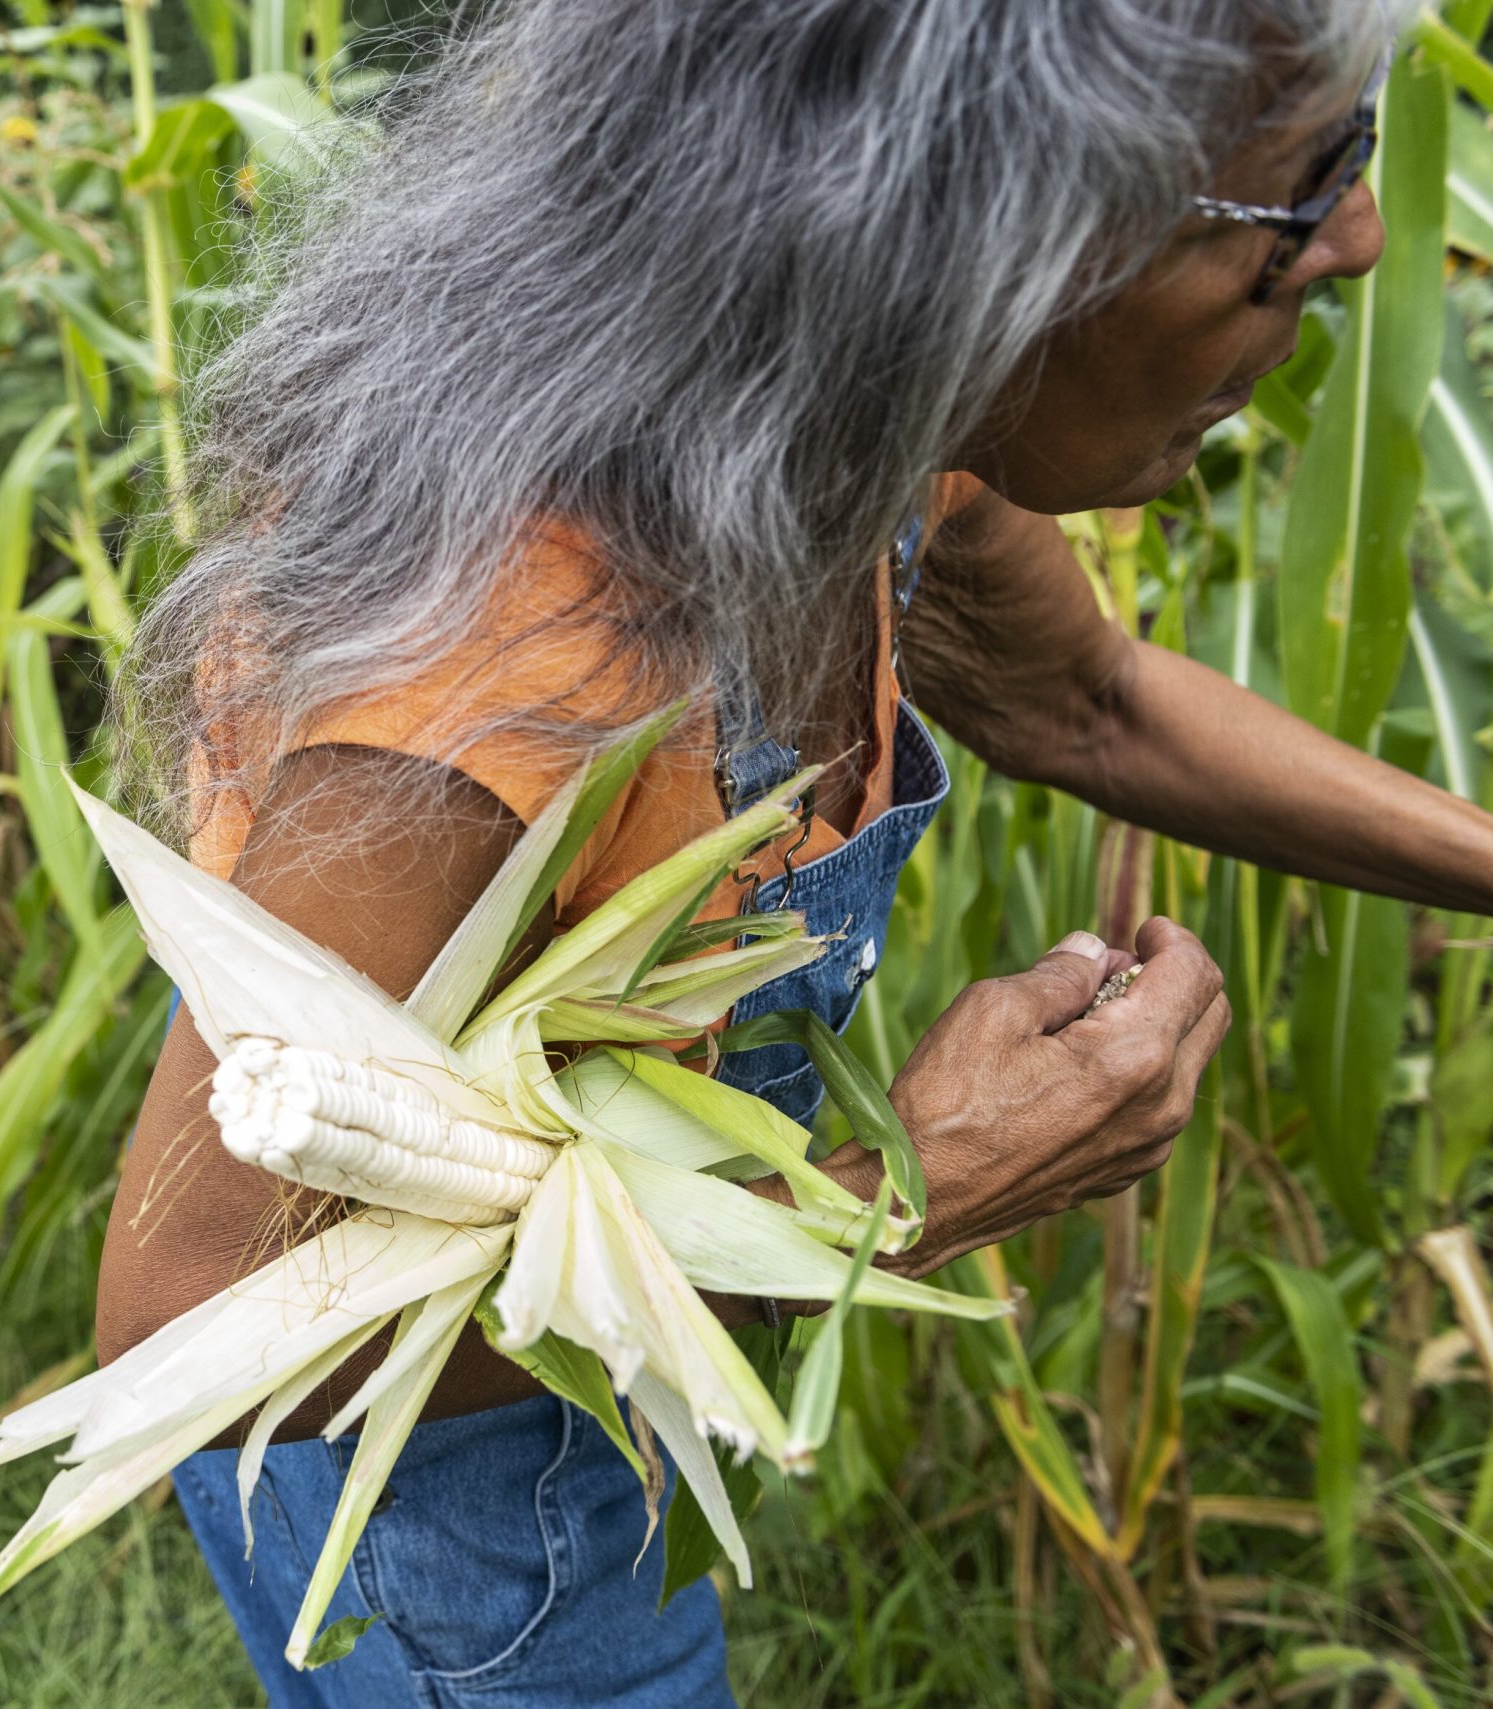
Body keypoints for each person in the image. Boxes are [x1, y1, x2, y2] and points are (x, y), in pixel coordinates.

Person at [94, 2, 1493, 1704]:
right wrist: (901, 1196)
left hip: (605, 1383)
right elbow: (195, 1332)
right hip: (441, 1500)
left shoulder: (857, 438)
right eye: (1301, 193)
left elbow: (1094, 703)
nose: (1361, 240)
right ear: (979, 233)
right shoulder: (508, 659)